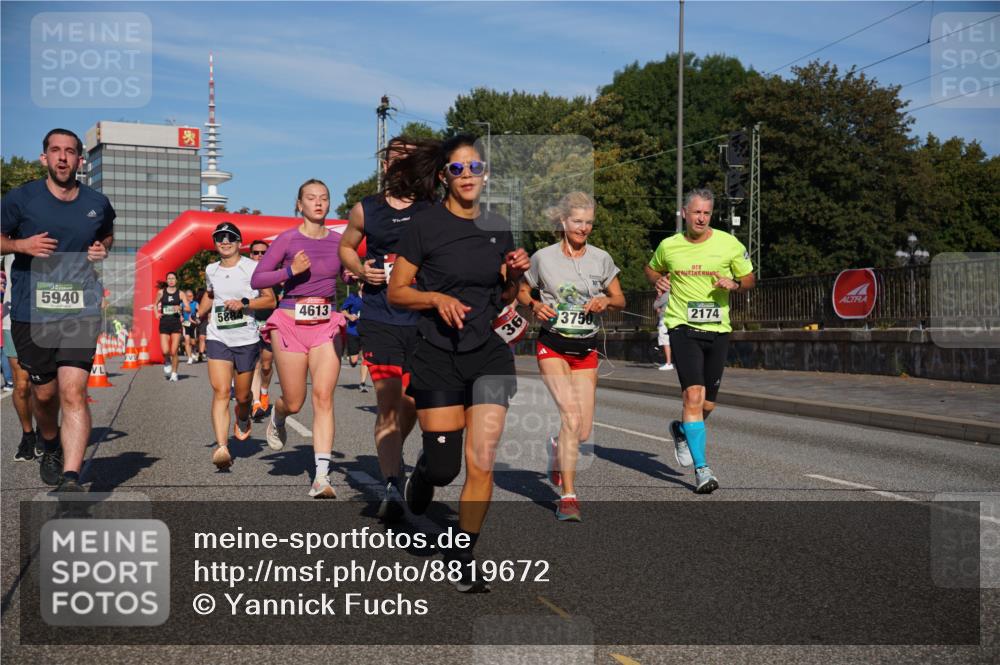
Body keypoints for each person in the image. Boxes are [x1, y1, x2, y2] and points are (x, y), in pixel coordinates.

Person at [387, 134, 530, 592]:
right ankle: (426, 472)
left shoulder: (499, 225)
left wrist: (516, 276)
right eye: (457, 169)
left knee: (482, 460)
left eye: (475, 168)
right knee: (447, 467)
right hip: (436, 351)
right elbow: (397, 291)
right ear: (445, 176)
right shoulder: (425, 226)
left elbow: (505, 294)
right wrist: (434, 298)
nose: (467, 176)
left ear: (485, 173)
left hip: (488, 351)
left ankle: (463, 551)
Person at [0, 128, 115, 491]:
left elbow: (107, 232)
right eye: (55, 151)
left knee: (73, 392)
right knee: (45, 395)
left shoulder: (97, 201)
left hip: (80, 308)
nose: (63, 157)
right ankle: (50, 444)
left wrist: (102, 248)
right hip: (31, 312)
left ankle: (70, 476)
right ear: (44, 158)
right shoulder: (21, 200)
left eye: (70, 152)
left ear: (81, 160)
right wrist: (22, 244)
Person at [338, 136, 437, 522]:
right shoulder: (367, 210)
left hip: (424, 318)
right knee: (389, 402)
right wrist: (362, 268)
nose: (403, 167)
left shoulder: (433, 208)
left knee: (416, 403)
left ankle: (416, 460)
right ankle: (393, 485)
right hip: (381, 317)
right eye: (396, 161)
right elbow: (346, 246)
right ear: (385, 167)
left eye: (411, 161)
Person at [517, 191, 624, 522]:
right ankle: (568, 498)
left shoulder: (601, 258)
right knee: (571, 417)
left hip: (586, 349)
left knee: (582, 430)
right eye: (578, 221)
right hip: (553, 345)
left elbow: (620, 298)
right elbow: (522, 290)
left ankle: (557, 449)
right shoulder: (543, 258)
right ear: (563, 222)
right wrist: (534, 304)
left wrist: (606, 301)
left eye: (589, 222)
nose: (584, 228)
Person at [643, 187, 755, 494]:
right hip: (682, 326)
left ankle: (681, 430)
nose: (702, 218)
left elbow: (750, 279)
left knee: (707, 404)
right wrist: (658, 280)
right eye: (696, 212)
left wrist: (734, 283)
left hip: (718, 329)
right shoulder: (670, 245)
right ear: (684, 213)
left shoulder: (729, 243)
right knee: (692, 397)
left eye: (706, 212)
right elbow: (651, 269)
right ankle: (703, 470)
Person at [251, 179, 348, 498]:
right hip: (290, 323)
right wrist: (290, 271)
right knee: (295, 400)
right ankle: (278, 415)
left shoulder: (340, 241)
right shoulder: (287, 239)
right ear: (299, 204)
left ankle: (322, 477)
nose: (318, 203)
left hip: (325, 323)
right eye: (311, 198)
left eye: (324, 198)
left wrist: (352, 273)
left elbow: (348, 271)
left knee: (323, 396)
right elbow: (258, 278)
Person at [197, 223, 276, 470]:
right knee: (220, 391)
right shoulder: (211, 269)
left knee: (242, 396)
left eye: (230, 237)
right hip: (217, 336)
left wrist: (244, 303)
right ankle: (222, 447)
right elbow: (211, 294)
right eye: (219, 237)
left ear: (239, 241)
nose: (225, 241)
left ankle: (243, 415)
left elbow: (270, 299)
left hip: (246, 339)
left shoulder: (253, 267)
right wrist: (199, 313)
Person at [4, 266, 39, 461]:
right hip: (14, 319)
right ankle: (28, 436)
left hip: (48, 317)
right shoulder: (7, 238)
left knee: (44, 383)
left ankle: (46, 431)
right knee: (22, 384)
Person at [247, 239, 277, 420]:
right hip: (249, 323)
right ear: (250, 255)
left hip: (269, 324)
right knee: (255, 364)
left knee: (266, 365)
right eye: (256, 253)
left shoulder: (276, 275)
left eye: (263, 253)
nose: (259, 256)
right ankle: (256, 402)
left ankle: (263, 392)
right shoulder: (243, 274)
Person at [155, 271, 188, 381]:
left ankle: (174, 373)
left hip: (175, 323)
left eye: (173, 278)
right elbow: (155, 305)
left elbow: (188, 308)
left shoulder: (180, 293)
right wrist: (156, 314)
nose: (171, 280)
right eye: (169, 278)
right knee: (165, 351)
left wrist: (181, 307)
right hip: (164, 323)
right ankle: (167, 360)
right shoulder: (161, 292)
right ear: (166, 280)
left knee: (174, 351)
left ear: (176, 280)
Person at [339, 285, 369, 392]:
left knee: (366, 357)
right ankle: (352, 358)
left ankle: (362, 383)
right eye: (363, 283)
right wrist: (350, 316)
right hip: (353, 331)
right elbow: (342, 310)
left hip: (367, 332)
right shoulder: (353, 297)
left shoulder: (372, 297)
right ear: (359, 285)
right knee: (354, 361)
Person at [655, 290, 674, 371]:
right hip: (672, 319)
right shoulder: (674, 292)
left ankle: (668, 363)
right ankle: (670, 362)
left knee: (665, 341)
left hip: (665, 319)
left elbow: (655, 305)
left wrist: (659, 296)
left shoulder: (666, 294)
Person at [182, 289, 198, 363]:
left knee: (193, 342)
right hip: (185, 323)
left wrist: (197, 318)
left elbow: (200, 311)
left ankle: (194, 351)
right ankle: (189, 357)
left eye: (192, 296)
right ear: (186, 296)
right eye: (189, 296)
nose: (192, 297)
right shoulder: (182, 304)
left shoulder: (195, 303)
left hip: (193, 324)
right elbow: (179, 312)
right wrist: (180, 317)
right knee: (187, 340)